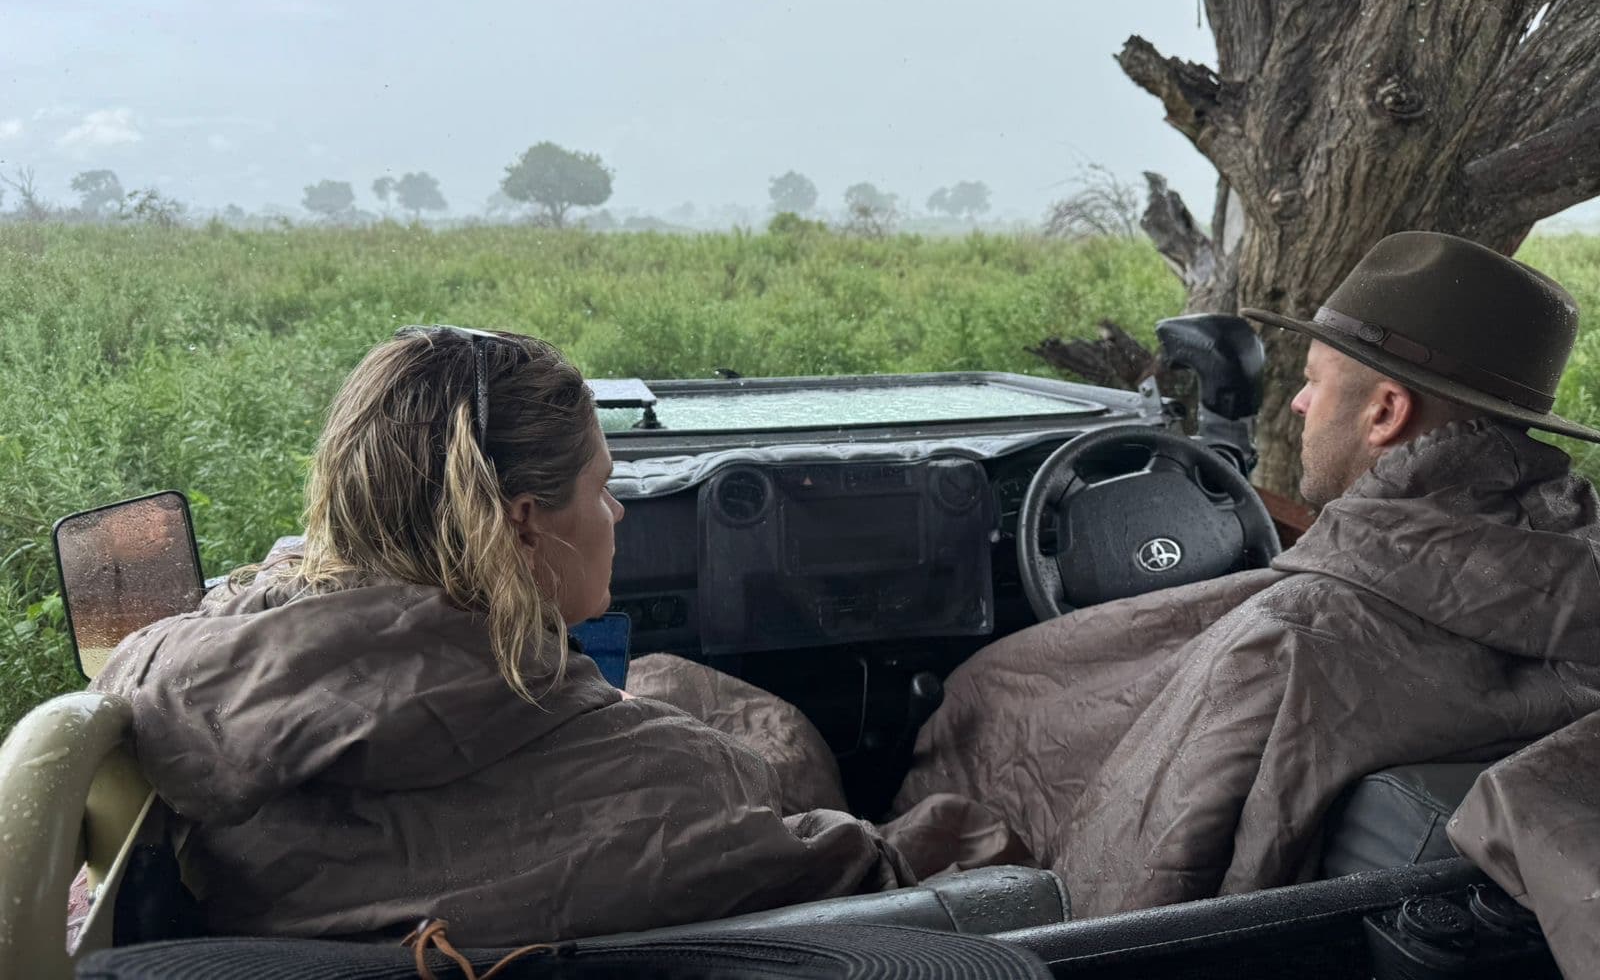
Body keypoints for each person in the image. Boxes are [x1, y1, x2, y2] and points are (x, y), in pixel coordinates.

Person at [90, 327, 1014, 946]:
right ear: (525, 523)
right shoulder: (665, 784)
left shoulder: (198, 684)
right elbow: (868, 878)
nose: (614, 510)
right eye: (604, 485)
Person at [893, 231, 1600, 917]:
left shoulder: (1289, 642)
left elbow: (1126, 890)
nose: (1297, 403)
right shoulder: (1567, 572)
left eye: (1312, 382)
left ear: (1385, 411)